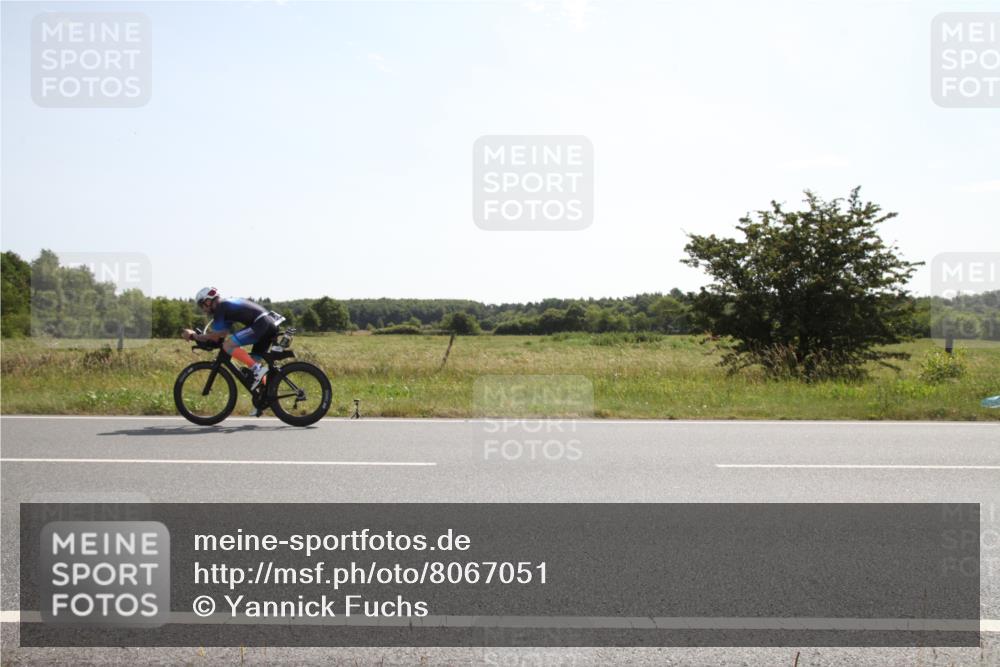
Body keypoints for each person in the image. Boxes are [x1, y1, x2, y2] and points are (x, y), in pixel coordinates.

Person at [181, 287, 280, 391]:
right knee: (255, 369)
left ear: (208, 301)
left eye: (202, 305)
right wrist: (204, 338)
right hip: (269, 323)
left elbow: (215, 337)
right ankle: (264, 396)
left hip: (261, 324)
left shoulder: (221, 307)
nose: (203, 310)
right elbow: (220, 336)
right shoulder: (226, 305)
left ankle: (258, 370)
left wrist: (194, 336)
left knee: (228, 345)